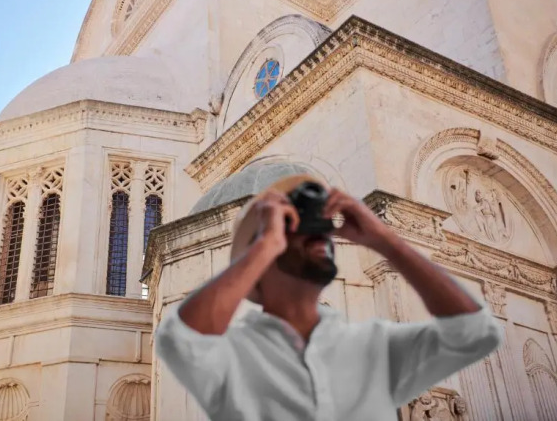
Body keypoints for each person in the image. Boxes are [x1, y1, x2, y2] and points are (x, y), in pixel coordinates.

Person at [155, 174, 502, 421]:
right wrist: (267, 242)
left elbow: (475, 333)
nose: (320, 237)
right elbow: (180, 338)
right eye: (299, 229)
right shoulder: (236, 356)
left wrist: (384, 240)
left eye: (320, 229)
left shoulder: (373, 346)